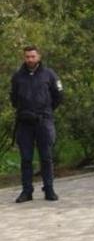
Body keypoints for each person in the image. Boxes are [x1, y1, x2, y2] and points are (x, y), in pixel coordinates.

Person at [10, 45, 63, 203]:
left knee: (46, 157)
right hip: (25, 123)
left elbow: (58, 95)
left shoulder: (49, 74)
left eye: (33, 56)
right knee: (26, 158)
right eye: (27, 56)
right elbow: (13, 98)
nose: (30, 59)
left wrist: (46, 110)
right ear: (24, 58)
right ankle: (27, 191)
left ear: (39, 57)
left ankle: (49, 189)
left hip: (43, 121)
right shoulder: (18, 76)